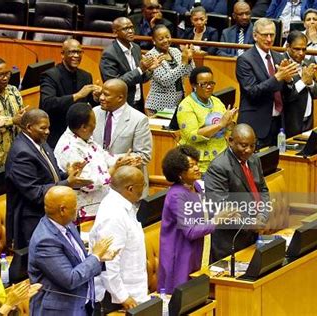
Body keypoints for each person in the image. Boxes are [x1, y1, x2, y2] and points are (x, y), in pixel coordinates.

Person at [5, 109, 92, 250]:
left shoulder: (41, 142)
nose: (47, 132)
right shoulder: (21, 153)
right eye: (43, 128)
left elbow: (52, 175)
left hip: (51, 216)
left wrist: (68, 174)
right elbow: (35, 193)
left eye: (48, 127)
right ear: (28, 128)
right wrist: (68, 183)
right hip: (32, 221)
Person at [29, 186, 118, 316]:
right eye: (75, 205)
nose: (78, 208)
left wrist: (100, 258)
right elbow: (70, 279)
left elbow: (78, 260)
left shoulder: (67, 224)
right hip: (60, 311)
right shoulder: (45, 241)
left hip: (81, 305)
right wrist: (96, 256)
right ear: (62, 210)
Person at [54, 103, 140, 219]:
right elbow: (87, 182)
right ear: (83, 127)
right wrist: (115, 168)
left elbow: (103, 156)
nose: (95, 126)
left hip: (102, 203)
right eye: (93, 124)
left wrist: (124, 160)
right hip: (86, 210)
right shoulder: (69, 148)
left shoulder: (83, 136)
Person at [205, 124, 270, 261]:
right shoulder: (219, 167)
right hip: (231, 241)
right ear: (230, 141)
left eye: (252, 146)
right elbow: (221, 206)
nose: (248, 150)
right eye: (243, 145)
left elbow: (263, 190)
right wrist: (250, 223)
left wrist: (262, 216)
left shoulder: (254, 160)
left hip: (255, 236)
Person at [158, 145, 217, 294]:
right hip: (179, 255)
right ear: (179, 173)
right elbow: (190, 231)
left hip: (197, 250)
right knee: (183, 299)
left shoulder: (196, 186)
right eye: (191, 166)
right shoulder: (177, 195)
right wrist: (218, 220)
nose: (197, 168)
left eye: (196, 163)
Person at [89, 166, 148, 312]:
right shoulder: (113, 214)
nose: (144, 189)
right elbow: (109, 262)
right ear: (130, 188)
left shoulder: (124, 205)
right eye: (143, 185)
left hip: (133, 291)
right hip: (117, 299)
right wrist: (123, 297)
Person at [236, 18, 298, 148]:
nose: (269, 39)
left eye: (272, 35)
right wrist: (277, 77)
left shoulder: (279, 57)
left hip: (278, 125)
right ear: (255, 36)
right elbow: (252, 92)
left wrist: (288, 80)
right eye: (265, 35)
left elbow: (289, 95)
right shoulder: (245, 60)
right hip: (256, 126)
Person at [92, 79, 152, 196]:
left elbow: (144, 155)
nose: (101, 98)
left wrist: (116, 160)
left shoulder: (139, 119)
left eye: (106, 95)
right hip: (100, 183)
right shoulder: (94, 113)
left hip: (126, 186)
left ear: (120, 98)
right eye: (102, 93)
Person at [40, 39, 101, 147]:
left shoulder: (86, 76)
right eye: (72, 52)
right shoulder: (50, 75)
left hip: (80, 136)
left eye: (79, 52)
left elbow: (90, 105)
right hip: (57, 134)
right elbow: (47, 103)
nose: (76, 55)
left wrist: (96, 98)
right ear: (63, 54)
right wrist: (77, 95)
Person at [177, 66, 237, 172]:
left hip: (222, 159)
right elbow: (192, 136)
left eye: (211, 83)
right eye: (204, 84)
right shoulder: (186, 106)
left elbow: (227, 130)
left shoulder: (217, 101)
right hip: (200, 164)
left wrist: (230, 123)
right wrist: (220, 125)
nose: (209, 87)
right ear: (194, 85)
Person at [100, 17, 160, 113]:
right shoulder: (109, 54)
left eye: (132, 27)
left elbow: (140, 78)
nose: (131, 31)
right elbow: (113, 84)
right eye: (125, 29)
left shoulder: (136, 48)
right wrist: (140, 69)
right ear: (115, 32)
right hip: (120, 106)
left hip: (138, 103)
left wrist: (149, 70)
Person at [145, 25, 195, 115]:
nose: (165, 40)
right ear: (153, 41)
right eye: (161, 39)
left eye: (167, 37)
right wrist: (183, 64)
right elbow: (165, 80)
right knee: (162, 129)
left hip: (179, 102)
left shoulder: (175, 51)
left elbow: (189, 74)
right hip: (159, 105)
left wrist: (189, 60)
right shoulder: (151, 56)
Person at [282, 30, 317, 138]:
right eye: (297, 49)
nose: (301, 53)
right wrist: (303, 82)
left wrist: (310, 83)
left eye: (304, 49)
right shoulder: (282, 65)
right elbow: (286, 97)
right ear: (287, 47)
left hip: (308, 120)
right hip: (289, 123)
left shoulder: (307, 63)